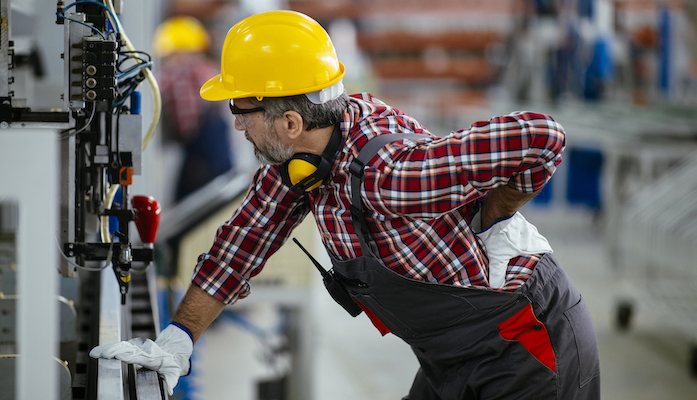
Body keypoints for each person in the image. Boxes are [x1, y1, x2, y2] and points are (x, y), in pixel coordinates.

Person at [92, 10, 600, 399]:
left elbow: (541, 135)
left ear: (290, 122)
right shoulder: (302, 162)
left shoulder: (391, 174)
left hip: (527, 346)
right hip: (452, 356)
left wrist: (497, 212)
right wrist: (178, 339)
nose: (237, 125)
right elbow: (240, 247)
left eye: (241, 109)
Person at [153, 16, 233, 201]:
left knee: (188, 199)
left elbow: (186, 123)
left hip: (200, 151)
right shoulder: (210, 70)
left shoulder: (177, 75)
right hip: (217, 149)